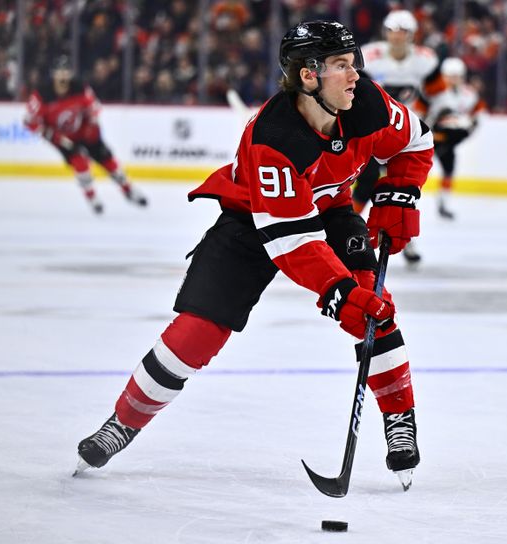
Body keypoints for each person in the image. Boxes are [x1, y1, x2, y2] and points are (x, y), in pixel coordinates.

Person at [74, 21, 433, 491]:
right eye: (342, 66)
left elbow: (417, 140)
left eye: (354, 63)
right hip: (252, 221)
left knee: (374, 309)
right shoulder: (273, 139)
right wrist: (337, 291)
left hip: (331, 207)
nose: (356, 75)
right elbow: (292, 243)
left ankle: (399, 419)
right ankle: (123, 421)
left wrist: (399, 194)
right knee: (197, 331)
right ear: (308, 76)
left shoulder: (367, 103)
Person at [354, 9, 439, 265]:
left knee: (402, 191)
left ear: (412, 35)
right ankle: (347, 230)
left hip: (408, 138)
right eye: (393, 31)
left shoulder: (425, 61)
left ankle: (405, 241)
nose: (397, 37)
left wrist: (430, 125)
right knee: (367, 180)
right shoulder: (370, 57)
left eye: (403, 32)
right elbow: (355, 93)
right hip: (375, 131)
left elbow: (439, 98)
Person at [24, 56, 147, 214]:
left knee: (108, 161)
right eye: (59, 72)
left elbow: (94, 108)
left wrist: (92, 125)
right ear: (52, 74)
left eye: (66, 72)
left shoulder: (80, 88)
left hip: (84, 131)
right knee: (80, 163)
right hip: (61, 137)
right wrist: (53, 136)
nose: (62, 76)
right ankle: (92, 197)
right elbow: (30, 122)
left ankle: (128, 190)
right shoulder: (42, 95)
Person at [424, 57, 485, 219]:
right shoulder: (434, 92)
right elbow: (421, 113)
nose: (452, 79)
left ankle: (443, 203)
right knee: (416, 171)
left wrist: (468, 127)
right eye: (449, 76)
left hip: (448, 140)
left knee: (449, 170)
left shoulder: (469, 94)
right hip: (429, 137)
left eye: (456, 76)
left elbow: (477, 115)